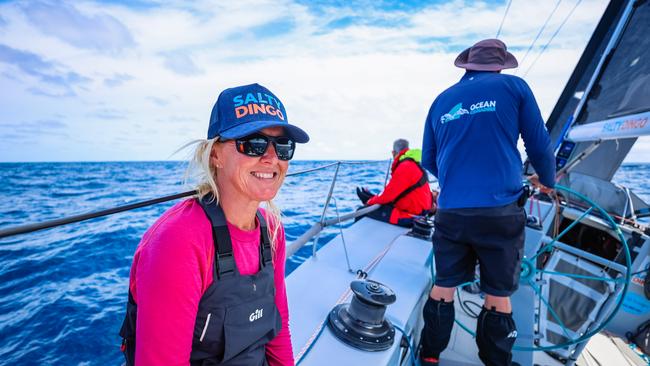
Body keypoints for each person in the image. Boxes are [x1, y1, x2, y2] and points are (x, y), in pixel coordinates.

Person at [119, 83, 309, 365]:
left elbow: (278, 334)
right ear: (215, 155)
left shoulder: (272, 230)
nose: (271, 158)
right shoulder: (179, 241)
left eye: (283, 146)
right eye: (254, 143)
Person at [419, 39, 556, 366]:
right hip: (499, 214)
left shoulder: (441, 101)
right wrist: (548, 183)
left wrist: (456, 182)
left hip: (451, 212)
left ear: (467, 66)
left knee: (443, 287)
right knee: (497, 296)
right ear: (500, 65)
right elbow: (539, 146)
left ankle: (429, 357)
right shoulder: (515, 87)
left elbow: (428, 159)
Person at [356, 138, 434, 227]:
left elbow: (388, 195)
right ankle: (368, 197)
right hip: (418, 211)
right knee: (373, 202)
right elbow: (393, 193)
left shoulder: (405, 166)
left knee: (360, 211)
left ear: (393, 153)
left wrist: (369, 202)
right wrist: (371, 198)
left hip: (412, 217)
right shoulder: (413, 163)